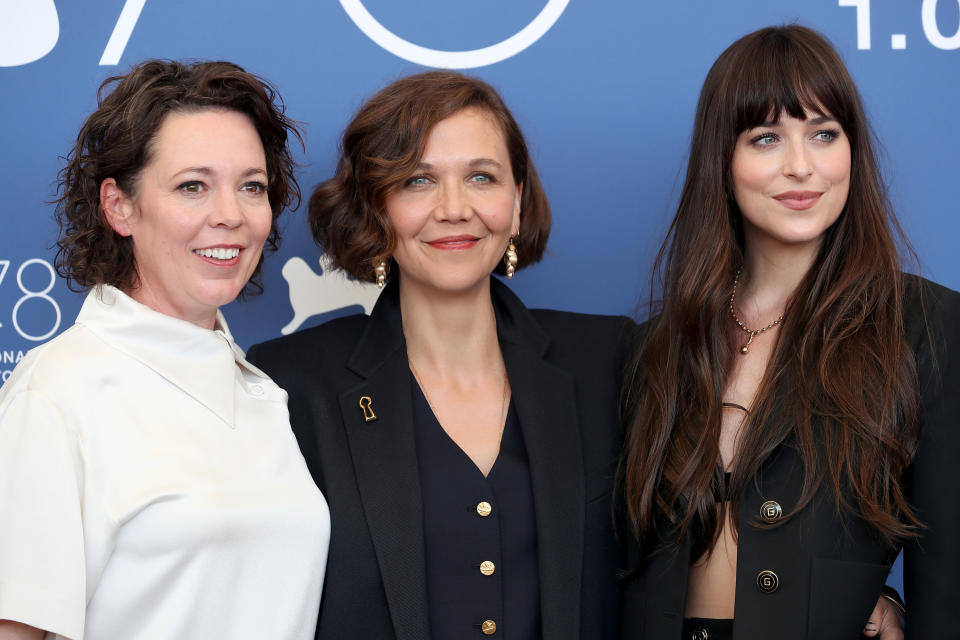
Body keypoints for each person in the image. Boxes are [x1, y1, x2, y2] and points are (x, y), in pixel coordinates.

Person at [247, 70, 633, 640]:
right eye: (418, 181)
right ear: (376, 208)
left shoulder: (609, 360)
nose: (454, 208)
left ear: (518, 200)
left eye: (482, 177)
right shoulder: (293, 382)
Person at [618, 25, 960, 639]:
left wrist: (879, 602)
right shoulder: (658, 346)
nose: (801, 166)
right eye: (766, 137)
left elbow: (950, 577)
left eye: (824, 134)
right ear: (722, 162)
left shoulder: (929, 328)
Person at [0, 60, 330, 640]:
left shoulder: (260, 395)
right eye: (192, 186)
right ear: (119, 206)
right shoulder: (58, 392)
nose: (229, 215)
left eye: (251, 186)